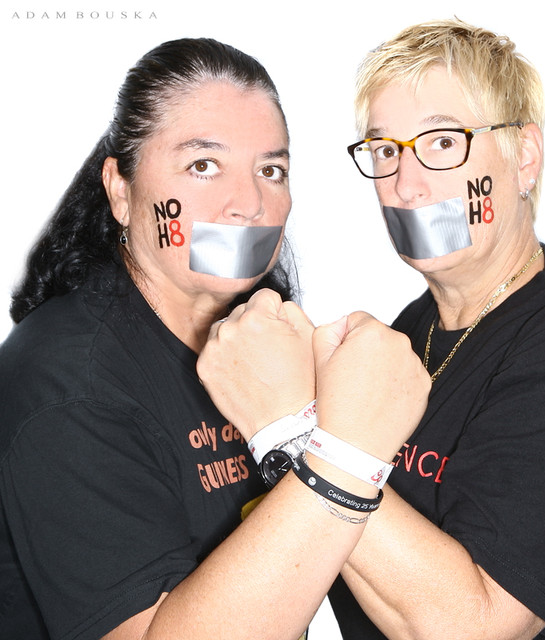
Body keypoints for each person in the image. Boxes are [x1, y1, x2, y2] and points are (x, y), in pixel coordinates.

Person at [196, 18, 545, 640]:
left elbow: (475, 627)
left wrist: (291, 427)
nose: (407, 185)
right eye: (385, 151)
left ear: (524, 157)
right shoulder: (409, 335)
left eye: (443, 142)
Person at [0, 38, 430, 639]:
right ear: (121, 191)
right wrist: (347, 451)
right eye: (203, 165)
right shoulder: (70, 382)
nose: (249, 204)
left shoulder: (261, 350)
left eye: (271, 171)